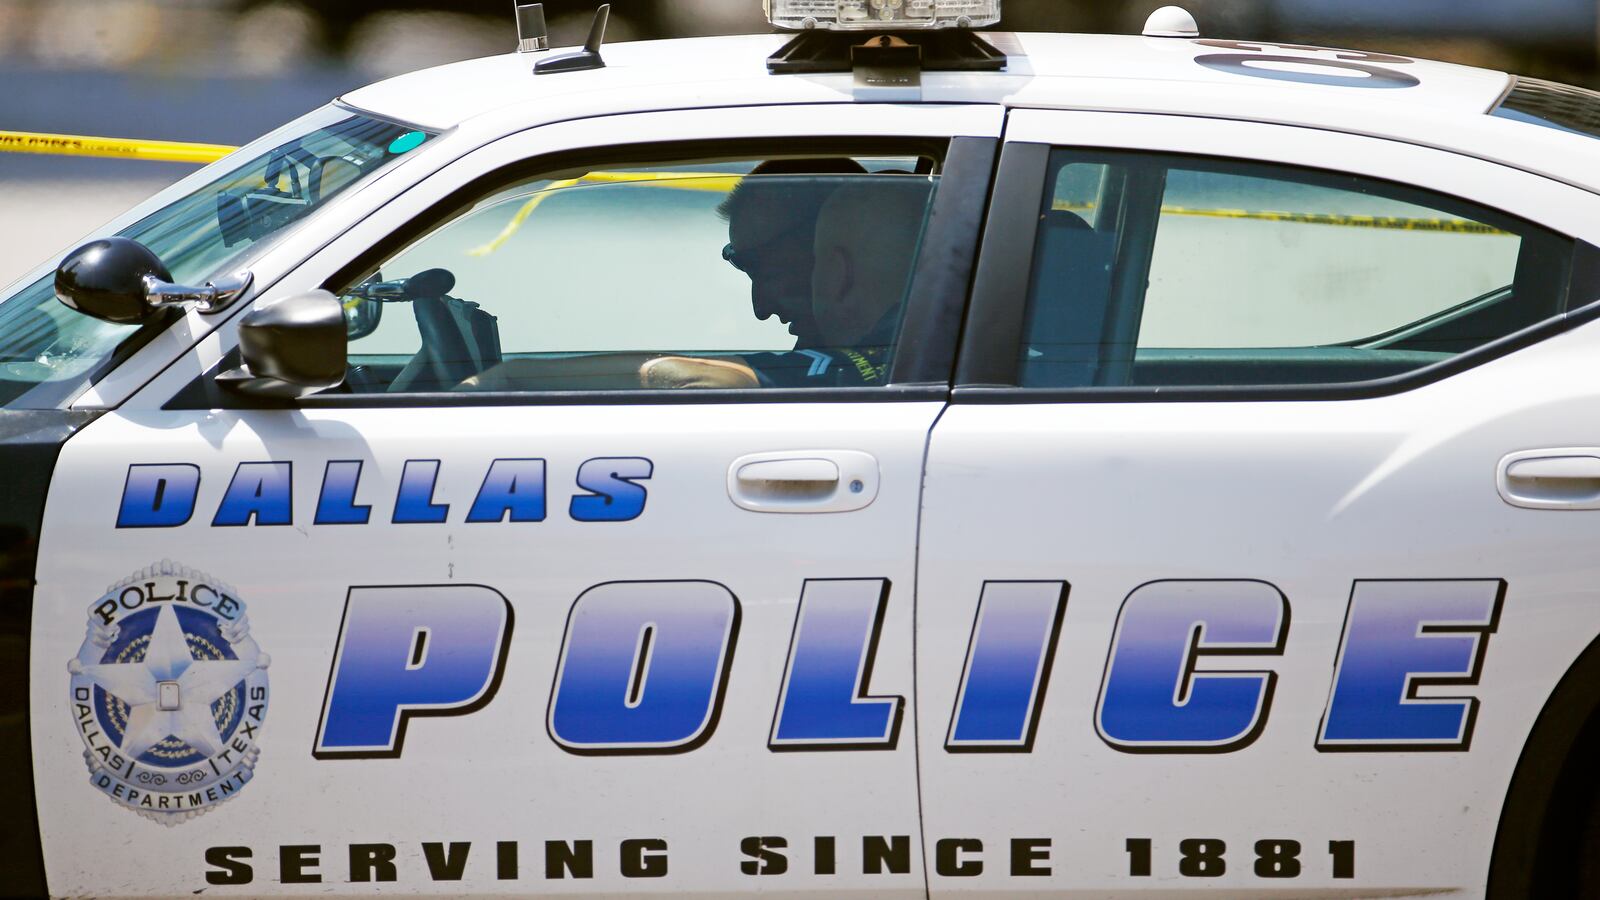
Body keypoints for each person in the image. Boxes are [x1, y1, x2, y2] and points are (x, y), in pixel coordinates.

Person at [639, 171, 932, 390]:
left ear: (831, 268)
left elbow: (690, 378)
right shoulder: (940, 345)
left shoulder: (868, 372)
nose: (761, 308)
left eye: (769, 271)